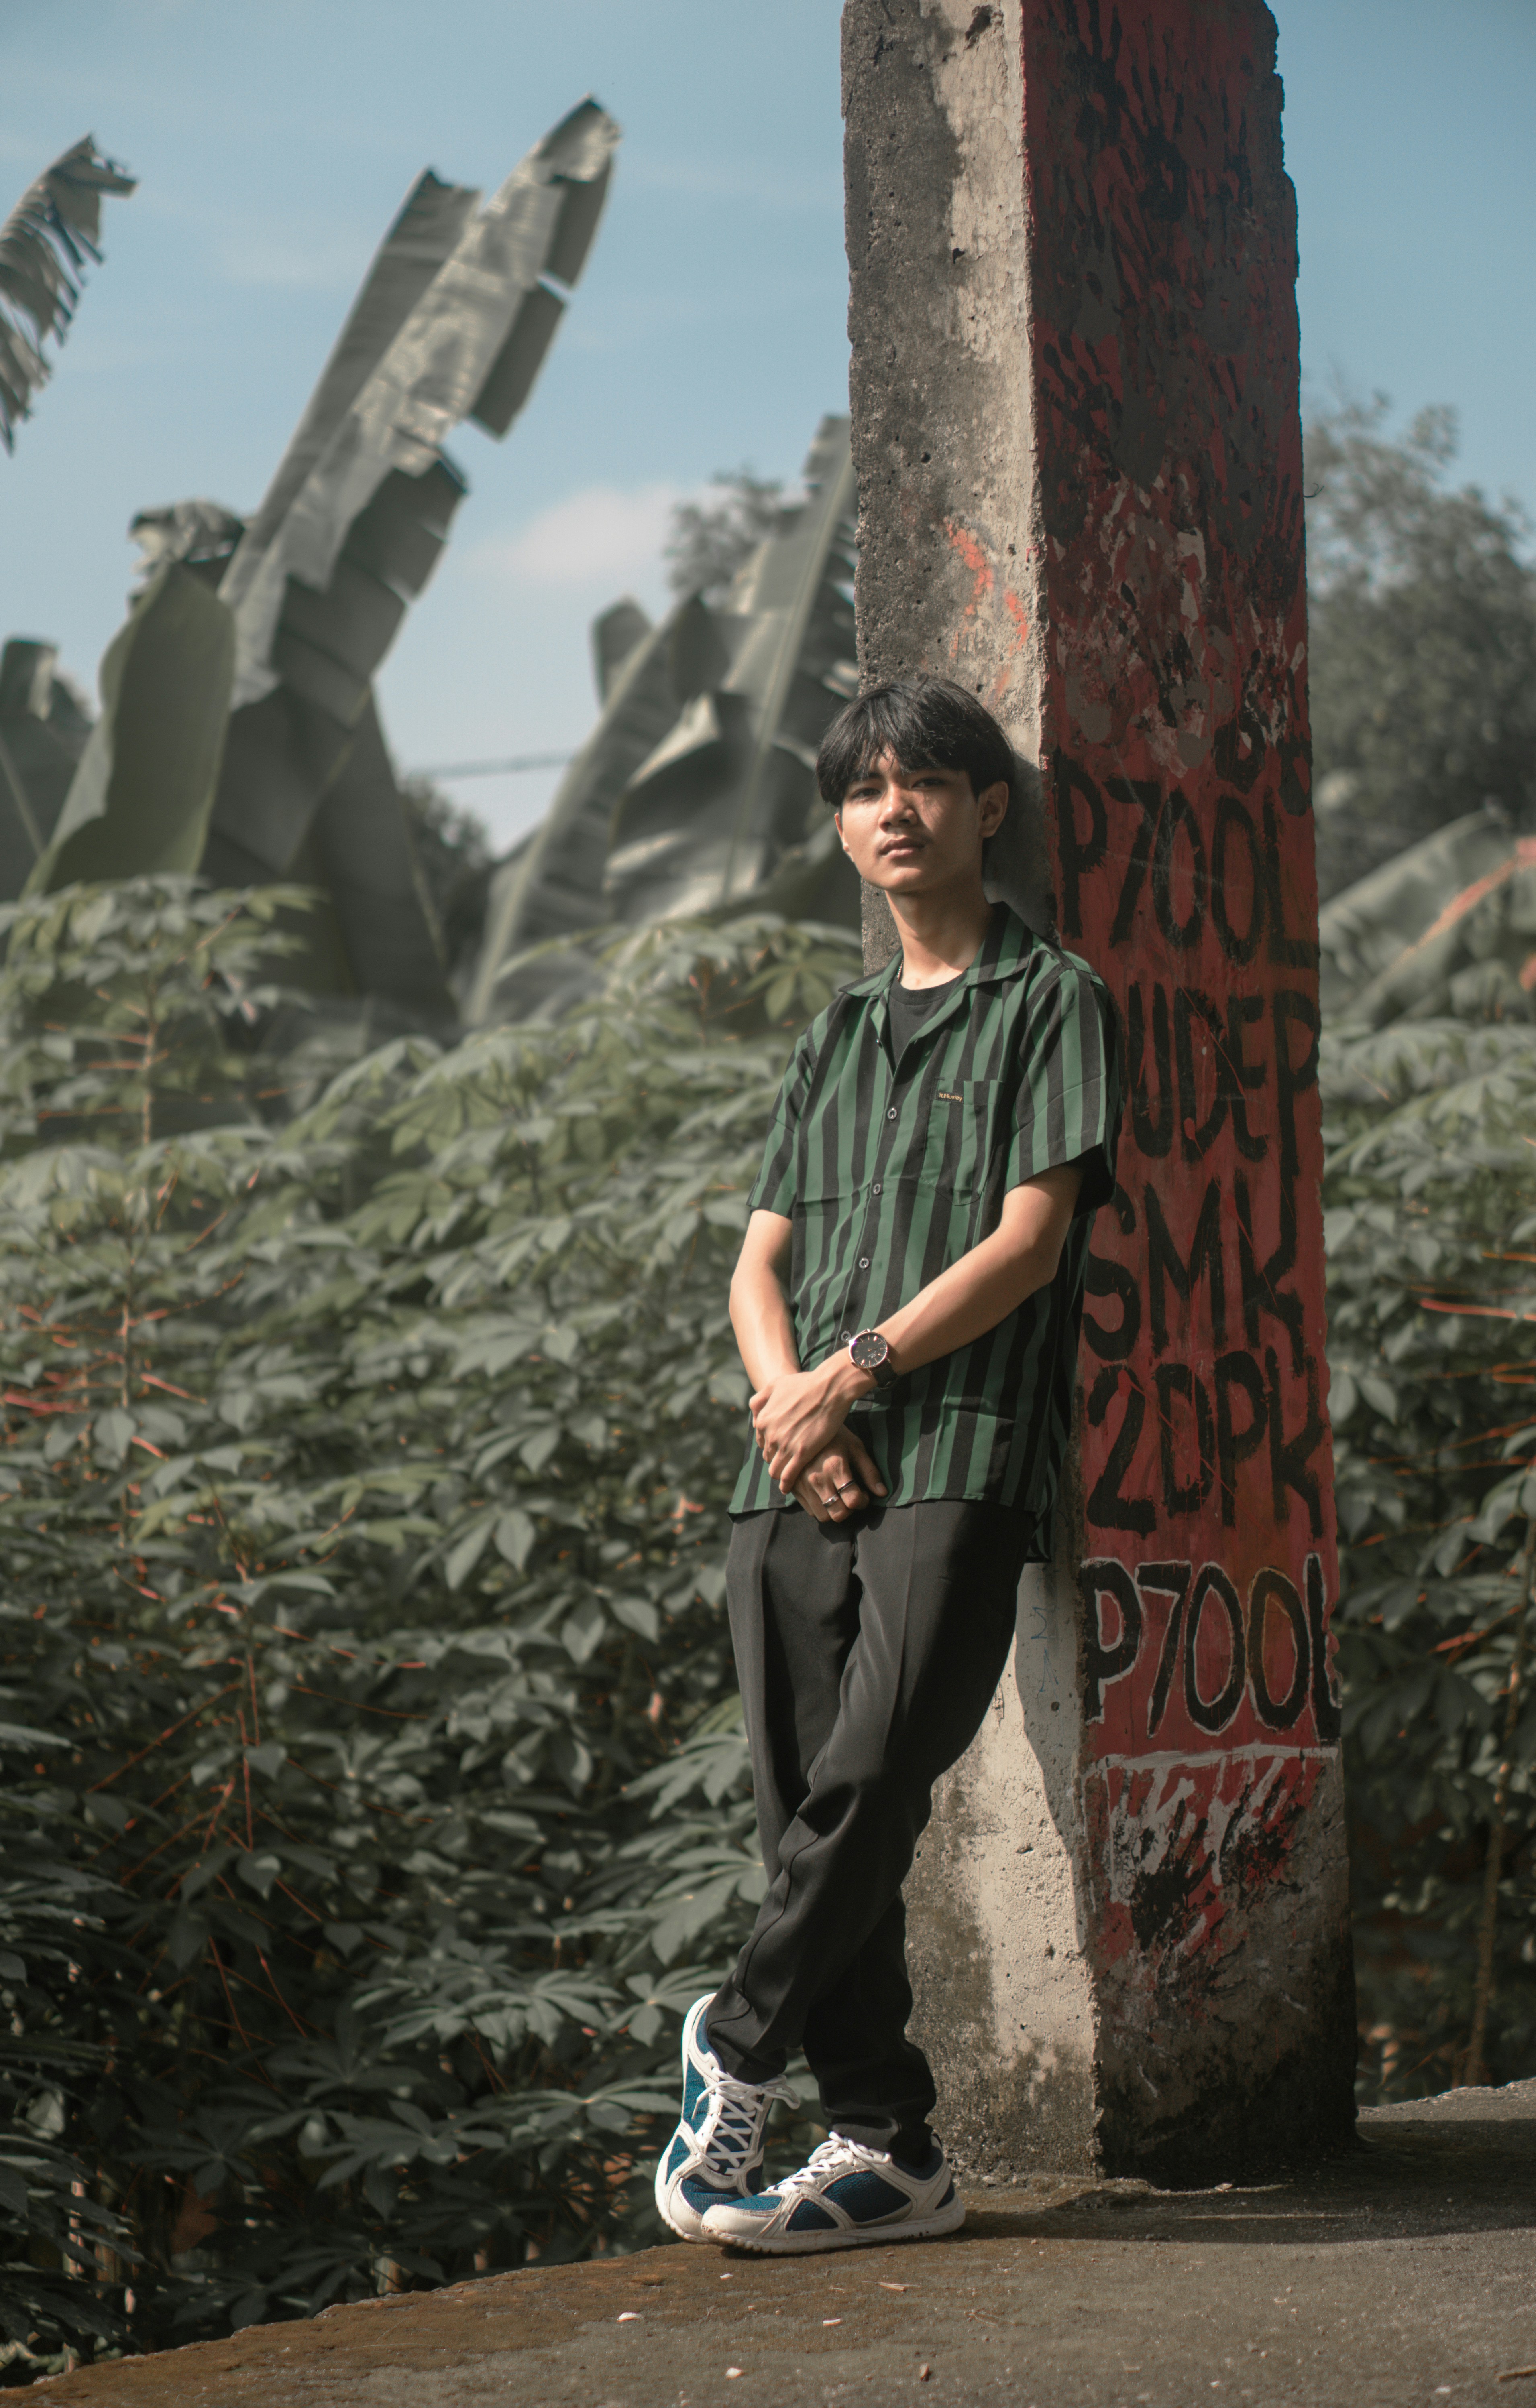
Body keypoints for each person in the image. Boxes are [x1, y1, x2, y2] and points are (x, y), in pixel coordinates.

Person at [654, 675, 1120, 2254]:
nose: (892, 810)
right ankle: (888, 2148)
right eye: (864, 790)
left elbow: (1032, 1241)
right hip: (797, 1464)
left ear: (989, 807)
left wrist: (851, 1376)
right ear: (844, 829)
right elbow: (757, 1262)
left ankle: (735, 2041)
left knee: (875, 1776)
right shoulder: (836, 1033)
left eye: (924, 782)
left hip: (958, 1448)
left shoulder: (1050, 1001)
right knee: (801, 1806)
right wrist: (791, 1410)